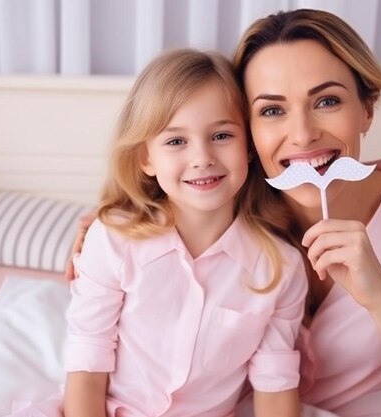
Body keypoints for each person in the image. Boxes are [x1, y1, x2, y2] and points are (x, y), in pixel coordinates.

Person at [68, 9, 381, 417]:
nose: (302, 134)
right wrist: (101, 227)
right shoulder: (220, 189)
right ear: (248, 130)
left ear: (367, 110)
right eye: (272, 110)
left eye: (327, 101)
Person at [62, 49, 308, 417]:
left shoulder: (280, 269)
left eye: (222, 135)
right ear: (146, 158)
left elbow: (275, 385)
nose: (202, 157)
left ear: (250, 147)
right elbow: (87, 362)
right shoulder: (112, 241)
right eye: (176, 141)